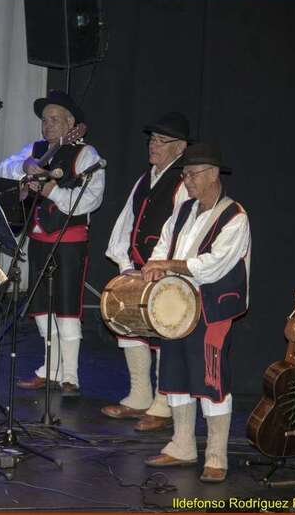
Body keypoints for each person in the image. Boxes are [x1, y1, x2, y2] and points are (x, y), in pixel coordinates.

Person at [141, 143, 250, 483]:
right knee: (174, 374)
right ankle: (182, 445)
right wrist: (154, 267)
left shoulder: (235, 217)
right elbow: (162, 245)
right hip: (176, 307)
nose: (186, 180)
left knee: (211, 379)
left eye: (192, 174)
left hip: (212, 308)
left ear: (213, 174)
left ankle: (216, 455)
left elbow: (212, 266)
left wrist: (168, 265)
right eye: (185, 174)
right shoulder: (183, 210)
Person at [0, 90, 105, 397]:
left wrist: (51, 191)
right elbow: (4, 167)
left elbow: (90, 200)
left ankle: (70, 376)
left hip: (69, 241)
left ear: (71, 124)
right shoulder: (36, 149)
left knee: (67, 308)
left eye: (54, 119)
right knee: (42, 307)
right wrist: (25, 166)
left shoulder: (87, 155)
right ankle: (50, 369)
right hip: (37, 237)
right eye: (45, 120)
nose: (47, 125)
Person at [102, 112, 191, 431]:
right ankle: (139, 395)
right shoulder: (145, 179)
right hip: (137, 268)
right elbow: (126, 221)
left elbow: (181, 231)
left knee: (164, 333)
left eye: (161, 140)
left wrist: (159, 267)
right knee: (128, 324)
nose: (153, 145)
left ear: (180, 147)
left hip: (165, 272)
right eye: (152, 139)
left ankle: (163, 404)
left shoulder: (183, 182)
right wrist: (126, 266)